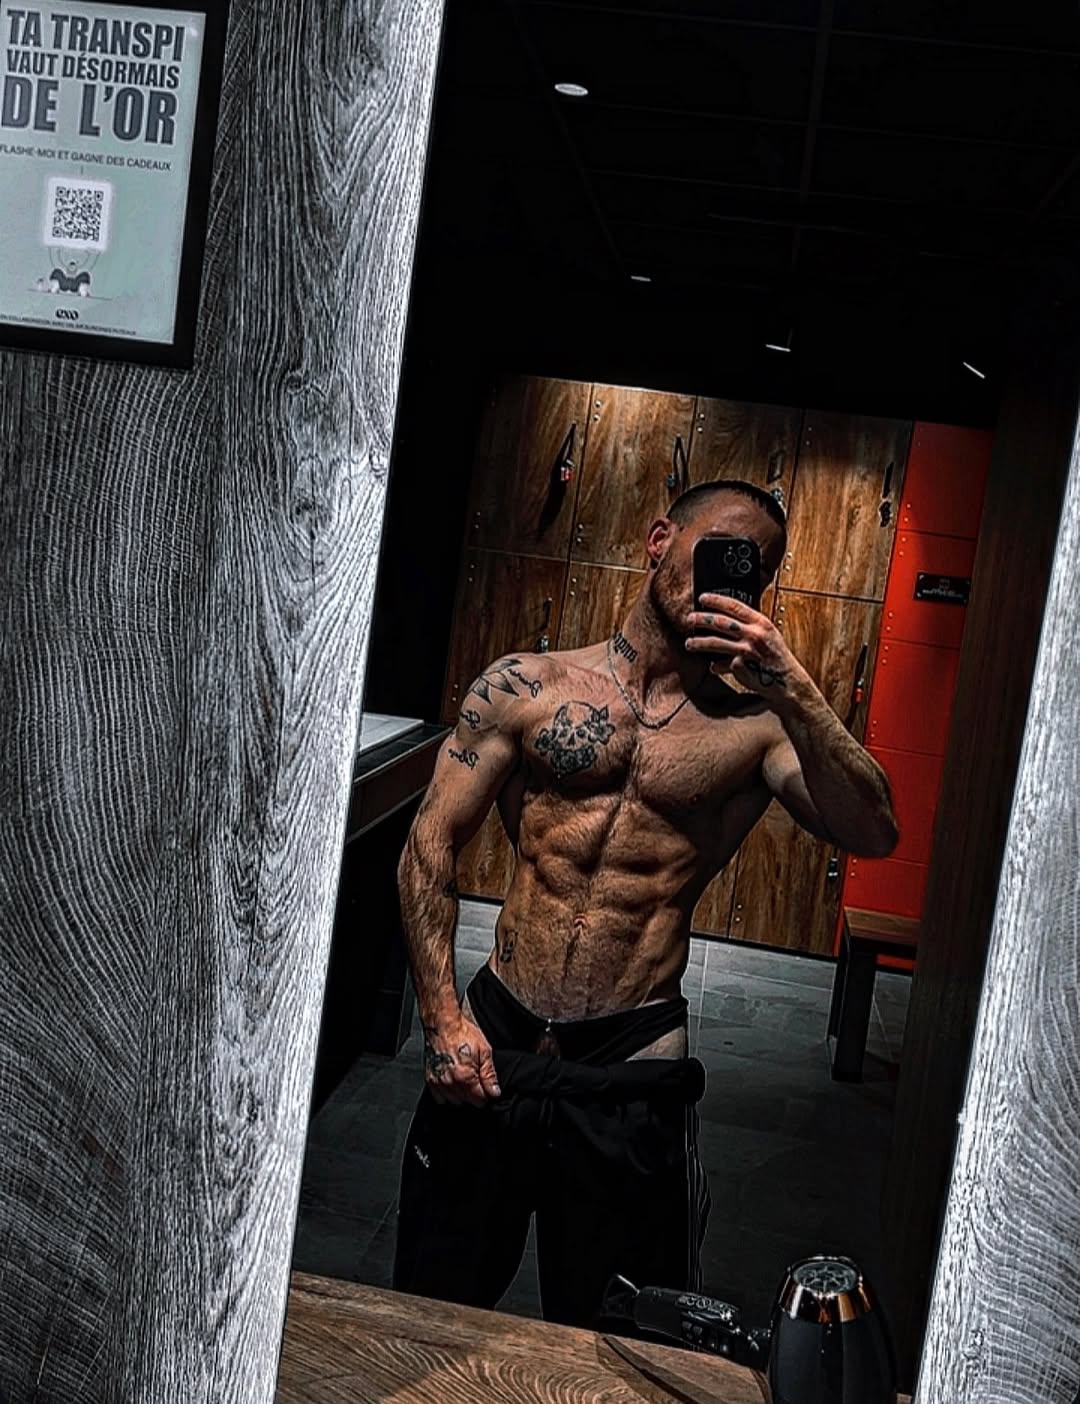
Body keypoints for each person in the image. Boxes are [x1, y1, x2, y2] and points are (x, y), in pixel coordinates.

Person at [392, 478, 898, 1328]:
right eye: (720, 549)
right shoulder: (526, 685)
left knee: (626, 1341)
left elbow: (874, 830)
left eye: (754, 569)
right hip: (494, 1042)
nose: (733, 576)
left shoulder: (756, 728)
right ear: (660, 540)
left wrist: (792, 685)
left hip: (632, 1065)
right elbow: (428, 844)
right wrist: (442, 1020)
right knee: (427, 1312)